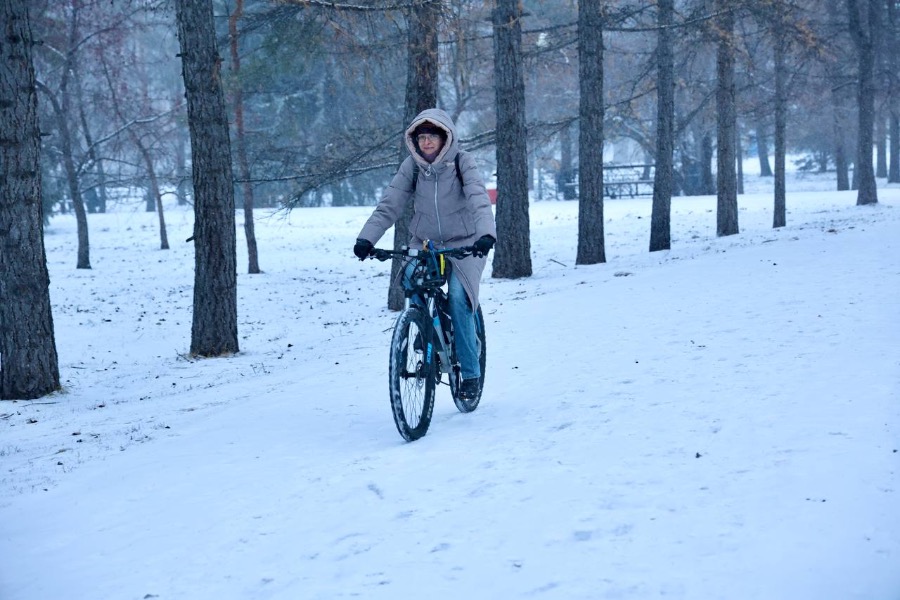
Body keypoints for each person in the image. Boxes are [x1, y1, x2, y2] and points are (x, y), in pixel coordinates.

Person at [354, 108, 496, 400]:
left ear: (445, 137)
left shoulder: (462, 162)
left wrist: (485, 235)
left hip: (466, 243)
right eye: (421, 137)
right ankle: (423, 328)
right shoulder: (412, 167)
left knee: (459, 298)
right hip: (425, 243)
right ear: (414, 140)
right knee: (410, 281)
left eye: (432, 136)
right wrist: (366, 238)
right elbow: (389, 204)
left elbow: (479, 199)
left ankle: (470, 372)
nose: (427, 142)